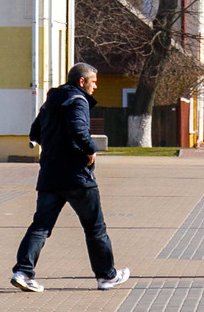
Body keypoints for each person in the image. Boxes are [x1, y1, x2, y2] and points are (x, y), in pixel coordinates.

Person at [12, 63, 130, 293]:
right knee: (95, 228)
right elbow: (78, 129)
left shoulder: (51, 102)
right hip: (77, 177)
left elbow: (35, 133)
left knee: (41, 227)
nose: (95, 87)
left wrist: (54, 147)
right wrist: (90, 150)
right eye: (93, 82)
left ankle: (23, 272)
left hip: (49, 175)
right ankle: (106, 275)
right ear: (81, 82)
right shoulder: (78, 101)